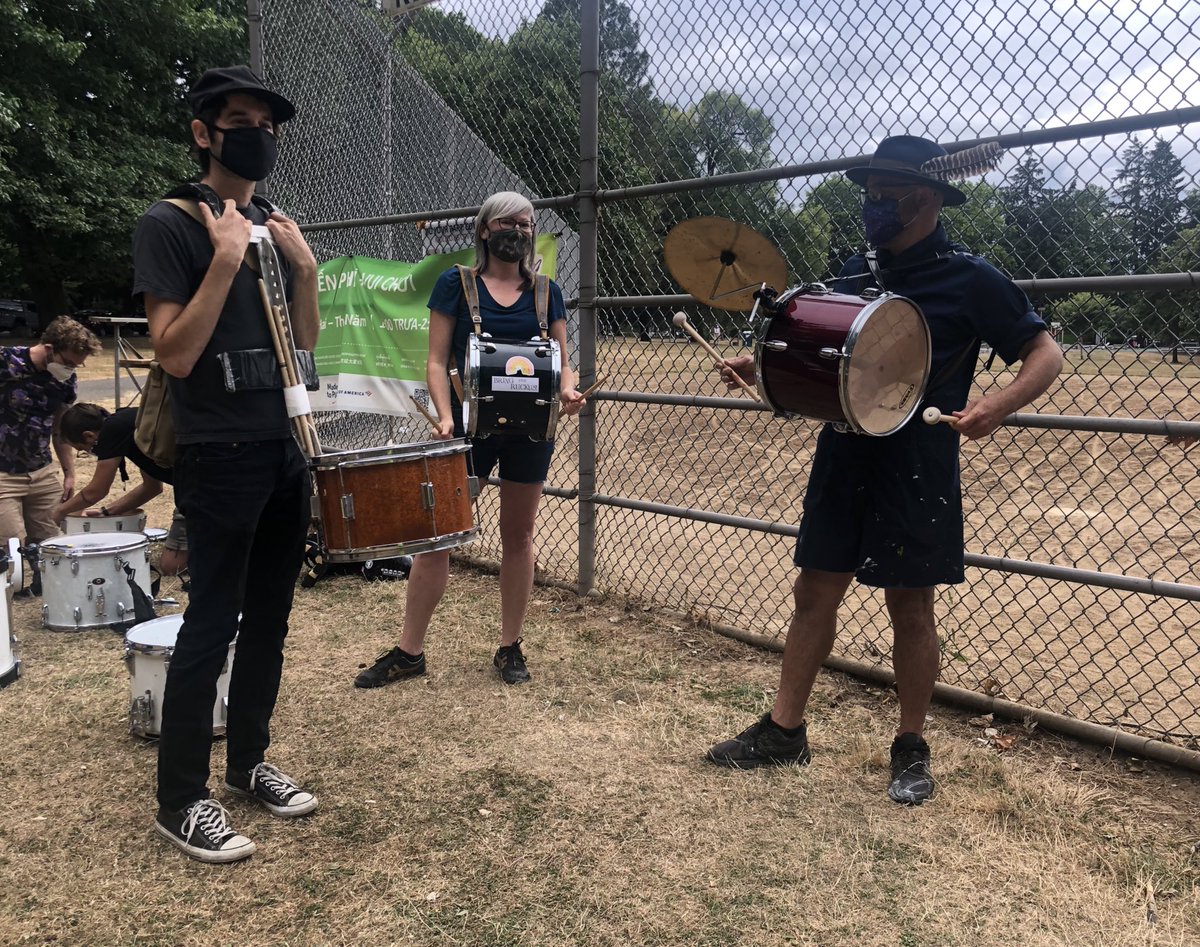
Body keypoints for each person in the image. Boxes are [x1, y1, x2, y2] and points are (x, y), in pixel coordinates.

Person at [706, 135, 1063, 804]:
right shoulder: (854, 270)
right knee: (814, 590)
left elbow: (1045, 353)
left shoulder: (971, 277)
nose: (870, 206)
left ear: (923, 198)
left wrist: (996, 406)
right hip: (845, 447)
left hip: (918, 461)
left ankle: (909, 748)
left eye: (882, 195)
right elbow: (831, 346)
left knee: (911, 604)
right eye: (867, 193)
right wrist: (760, 367)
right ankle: (785, 731)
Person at [133, 65, 320, 862]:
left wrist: (305, 269)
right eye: (240, 119)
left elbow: (303, 342)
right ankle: (181, 800)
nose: (257, 133)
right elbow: (173, 353)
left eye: (268, 123)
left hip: (285, 443)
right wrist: (221, 258)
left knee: (272, 616)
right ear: (203, 132)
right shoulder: (169, 223)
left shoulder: (274, 224)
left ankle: (247, 763)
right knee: (212, 620)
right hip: (220, 450)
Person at [355, 191, 585, 689]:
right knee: (440, 536)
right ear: (484, 229)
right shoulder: (455, 285)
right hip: (468, 428)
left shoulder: (548, 292)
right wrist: (443, 415)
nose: (519, 232)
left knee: (518, 536)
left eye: (527, 224)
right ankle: (410, 651)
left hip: (531, 432)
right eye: (508, 223)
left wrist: (569, 388)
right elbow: (436, 361)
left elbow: (564, 360)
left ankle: (510, 647)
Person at [0, 316, 101, 556]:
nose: (70, 370)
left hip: (41, 471)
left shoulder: (64, 380)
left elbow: (60, 430)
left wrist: (69, 474)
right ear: (48, 348)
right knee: (12, 549)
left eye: (76, 366)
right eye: (67, 362)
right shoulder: (5, 361)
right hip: (3, 474)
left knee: (55, 546)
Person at [52, 403, 188, 575]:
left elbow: (97, 491)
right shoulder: (129, 425)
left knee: (171, 567)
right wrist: (106, 512)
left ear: (89, 436)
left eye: (82, 449)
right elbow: (152, 487)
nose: (88, 452)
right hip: (194, 486)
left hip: (200, 487)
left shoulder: (113, 431)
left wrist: (60, 511)